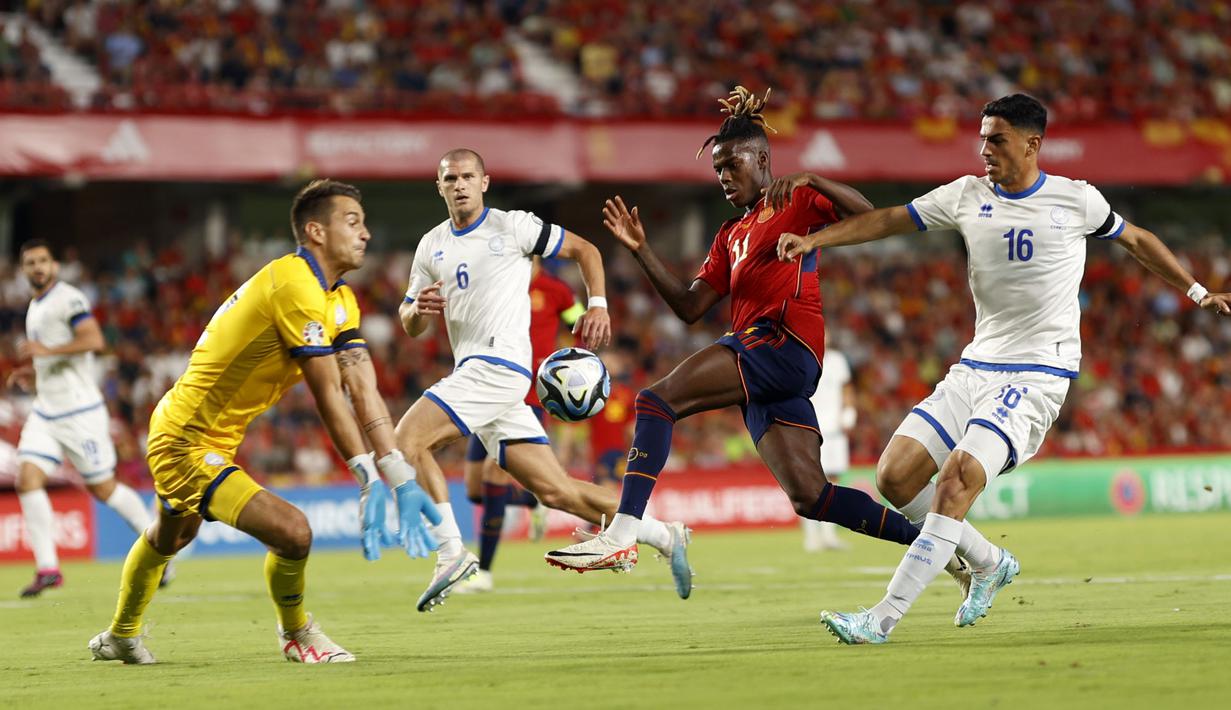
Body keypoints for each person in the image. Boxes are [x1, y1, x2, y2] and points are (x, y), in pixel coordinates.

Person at [776, 94, 1231, 644]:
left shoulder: (1075, 200)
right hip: (977, 364)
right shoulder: (966, 195)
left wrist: (1198, 290)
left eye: (996, 139)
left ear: (1031, 143)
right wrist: (814, 240)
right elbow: (890, 220)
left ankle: (881, 618)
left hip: (1038, 372)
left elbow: (1136, 240)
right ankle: (989, 561)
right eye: (982, 137)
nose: (983, 149)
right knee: (894, 476)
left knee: (958, 478)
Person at [546, 86, 927, 579]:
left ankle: (623, 533)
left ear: (763, 158)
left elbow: (870, 217)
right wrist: (642, 250)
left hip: (783, 341)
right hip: (765, 363)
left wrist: (815, 177)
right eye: (718, 169)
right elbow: (690, 306)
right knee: (812, 496)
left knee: (655, 402)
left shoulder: (799, 198)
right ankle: (938, 546)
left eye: (733, 165)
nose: (724, 177)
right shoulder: (730, 234)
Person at [88, 180, 439, 664]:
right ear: (315, 231)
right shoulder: (294, 284)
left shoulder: (339, 298)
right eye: (352, 222)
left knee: (173, 535)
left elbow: (361, 386)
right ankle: (296, 634)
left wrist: (395, 470)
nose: (366, 234)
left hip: (212, 436)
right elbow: (327, 391)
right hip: (184, 437)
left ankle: (119, 637)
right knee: (293, 531)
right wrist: (364, 475)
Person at [396, 148, 692, 612]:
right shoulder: (430, 244)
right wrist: (417, 311)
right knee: (557, 491)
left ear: (484, 182)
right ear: (439, 186)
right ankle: (664, 534)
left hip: (501, 367)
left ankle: (451, 552)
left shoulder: (512, 226)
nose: (459, 184)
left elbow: (585, 249)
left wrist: (598, 304)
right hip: (479, 375)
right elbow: (409, 319)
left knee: (406, 440)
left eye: (467, 176)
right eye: (450, 178)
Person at [7, 240, 167, 598]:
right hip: (47, 410)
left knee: (103, 488)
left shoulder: (68, 298)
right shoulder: (35, 307)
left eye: (43, 261)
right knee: (27, 478)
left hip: (80, 413)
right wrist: (35, 374)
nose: (37, 267)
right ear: (23, 270)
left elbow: (93, 339)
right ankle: (48, 568)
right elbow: (56, 358)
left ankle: (161, 552)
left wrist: (47, 352)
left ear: (55, 266)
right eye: (30, 262)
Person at [455, 258, 581, 594]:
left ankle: (484, 572)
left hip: (528, 396)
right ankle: (532, 501)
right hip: (489, 392)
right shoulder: (500, 285)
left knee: (493, 474)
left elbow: (580, 324)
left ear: (535, 255)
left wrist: (572, 366)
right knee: (474, 490)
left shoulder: (556, 291)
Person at [802, 334, 855, 552]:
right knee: (809, 482)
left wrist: (850, 410)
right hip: (811, 428)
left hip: (834, 429)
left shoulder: (837, 360)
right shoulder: (802, 358)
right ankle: (811, 536)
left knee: (834, 481)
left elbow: (847, 389)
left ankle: (829, 535)